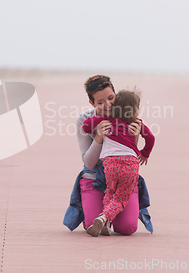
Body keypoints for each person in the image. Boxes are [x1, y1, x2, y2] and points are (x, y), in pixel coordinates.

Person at [63, 75, 153, 236]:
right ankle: (92, 211)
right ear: (92, 103)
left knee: (127, 228)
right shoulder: (84, 119)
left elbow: (131, 152)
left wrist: (136, 136)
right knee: (92, 223)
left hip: (123, 177)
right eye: (100, 102)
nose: (108, 105)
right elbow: (89, 163)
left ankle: (107, 216)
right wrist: (98, 137)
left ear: (116, 95)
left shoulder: (128, 114)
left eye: (111, 98)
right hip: (94, 177)